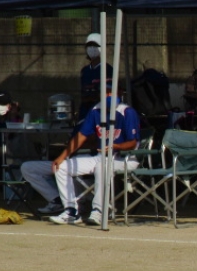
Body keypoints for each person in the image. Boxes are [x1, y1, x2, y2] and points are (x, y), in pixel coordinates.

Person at [49, 90, 141, 226]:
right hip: (100, 156)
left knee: (101, 166)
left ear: (118, 94)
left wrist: (115, 146)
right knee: (61, 166)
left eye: (112, 93)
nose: (109, 96)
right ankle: (71, 211)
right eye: (106, 93)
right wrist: (62, 156)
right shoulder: (95, 110)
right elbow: (81, 136)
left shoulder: (126, 111)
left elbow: (133, 143)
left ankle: (99, 211)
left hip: (125, 158)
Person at [78, 32, 113, 132]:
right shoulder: (85, 71)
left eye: (95, 45)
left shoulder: (107, 69)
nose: (91, 48)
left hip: (101, 113)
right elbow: (83, 94)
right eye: (89, 46)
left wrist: (94, 96)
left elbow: (108, 94)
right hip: (85, 112)